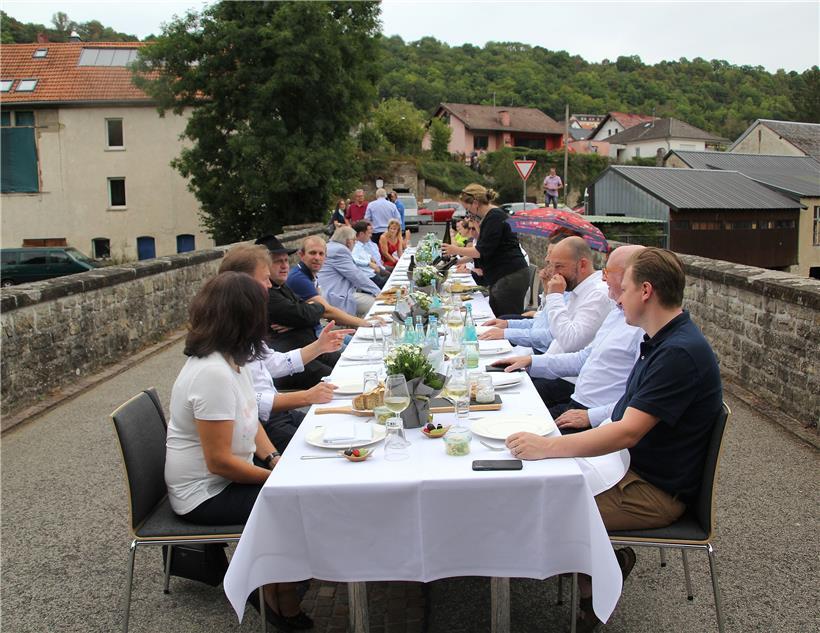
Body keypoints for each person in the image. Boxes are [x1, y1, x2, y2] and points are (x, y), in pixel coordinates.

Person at [505, 247, 723, 632]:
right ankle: (598, 573)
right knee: (538, 486)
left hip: (654, 489)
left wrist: (550, 446)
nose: (615, 297)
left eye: (621, 288)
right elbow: (623, 412)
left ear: (645, 292)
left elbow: (628, 430)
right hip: (629, 467)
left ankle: (595, 589)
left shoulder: (678, 352)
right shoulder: (660, 338)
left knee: (545, 508)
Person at [164, 271, 314, 630]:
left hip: (226, 478)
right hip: (204, 494)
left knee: (292, 493)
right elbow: (219, 463)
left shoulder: (232, 360)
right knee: (291, 504)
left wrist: (275, 459)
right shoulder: (212, 374)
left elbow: (252, 420)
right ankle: (275, 594)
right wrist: (273, 478)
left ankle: (274, 588)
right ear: (245, 318)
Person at [494, 245, 645, 429]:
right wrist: (530, 361)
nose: (603, 277)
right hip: (577, 398)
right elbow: (584, 356)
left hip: (583, 401)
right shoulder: (618, 311)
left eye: (607, 272)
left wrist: (555, 296)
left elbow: (568, 340)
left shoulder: (611, 303)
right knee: (505, 412)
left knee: (512, 421)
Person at [218, 243, 350, 444]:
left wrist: (319, 346)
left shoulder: (243, 320)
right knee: (334, 441)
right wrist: (306, 397)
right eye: (264, 279)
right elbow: (250, 402)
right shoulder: (226, 332)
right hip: (259, 427)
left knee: (339, 428)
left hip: (272, 416)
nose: (270, 285)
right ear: (243, 283)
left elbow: (273, 363)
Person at [441, 184, 530, 316]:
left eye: (467, 209)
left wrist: (454, 249)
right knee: (497, 316)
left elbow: (480, 251)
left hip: (509, 276)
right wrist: (455, 262)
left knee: (506, 319)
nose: (468, 214)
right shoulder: (491, 217)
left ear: (475, 203)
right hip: (503, 276)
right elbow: (484, 250)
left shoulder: (494, 217)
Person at [287, 236, 383, 328]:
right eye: (312, 253)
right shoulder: (299, 278)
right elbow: (327, 311)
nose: (317, 257)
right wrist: (364, 322)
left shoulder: (308, 273)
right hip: (309, 331)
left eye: (321, 254)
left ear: (326, 257)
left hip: (315, 323)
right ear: (301, 255)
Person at [318, 226, 381, 317]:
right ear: (348, 241)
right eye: (354, 240)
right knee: (375, 304)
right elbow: (356, 276)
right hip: (334, 296)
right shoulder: (339, 250)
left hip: (331, 292)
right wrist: (378, 292)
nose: (355, 243)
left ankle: (357, 327)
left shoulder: (331, 246)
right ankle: (365, 328)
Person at [351, 221, 389, 288]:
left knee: (391, 276)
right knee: (391, 280)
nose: (371, 235)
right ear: (362, 234)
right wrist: (368, 263)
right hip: (369, 277)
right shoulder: (355, 246)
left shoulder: (360, 245)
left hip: (372, 274)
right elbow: (353, 259)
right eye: (368, 233)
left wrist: (370, 258)